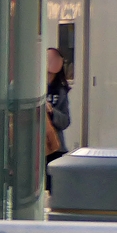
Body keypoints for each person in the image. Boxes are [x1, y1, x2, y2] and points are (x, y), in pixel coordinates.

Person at [46, 47, 71, 192]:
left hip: (54, 146)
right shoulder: (31, 87)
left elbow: (65, 121)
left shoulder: (61, 91)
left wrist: (51, 111)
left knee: (52, 188)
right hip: (33, 146)